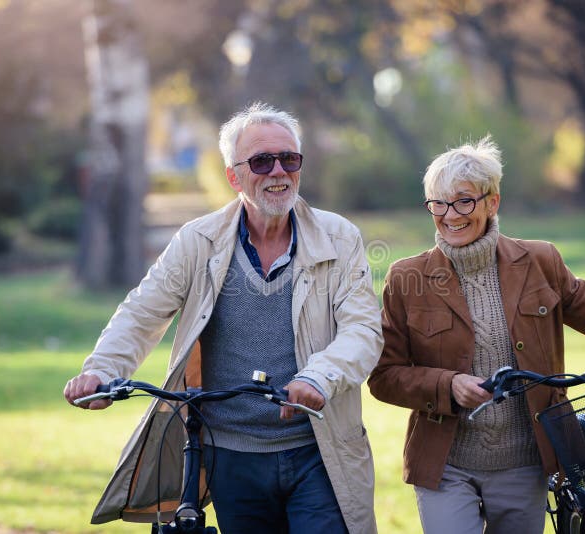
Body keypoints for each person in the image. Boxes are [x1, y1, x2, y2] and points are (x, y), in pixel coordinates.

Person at [64, 102, 383, 533]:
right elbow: (142, 312)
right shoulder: (198, 241)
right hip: (230, 455)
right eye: (261, 161)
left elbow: (363, 330)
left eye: (289, 159)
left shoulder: (339, 237)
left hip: (318, 449)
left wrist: (317, 378)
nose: (278, 172)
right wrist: (102, 370)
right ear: (234, 176)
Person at [367, 135, 585, 534]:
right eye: (438, 203)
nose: (449, 214)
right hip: (446, 465)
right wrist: (449, 385)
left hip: (527, 461)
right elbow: (385, 375)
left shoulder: (540, 261)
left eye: (463, 201)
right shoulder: (407, 277)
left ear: (492, 201)